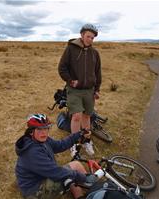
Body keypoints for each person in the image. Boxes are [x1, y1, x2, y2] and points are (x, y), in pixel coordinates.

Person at [15, 113, 98, 199]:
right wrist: (82, 177)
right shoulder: (32, 152)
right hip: (34, 191)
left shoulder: (41, 139)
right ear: (31, 132)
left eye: (46, 128)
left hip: (42, 177)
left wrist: (78, 135)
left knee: (72, 170)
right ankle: (96, 190)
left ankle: (81, 196)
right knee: (71, 173)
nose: (44, 132)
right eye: (39, 129)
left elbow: (60, 145)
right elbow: (55, 172)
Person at [58, 23, 102, 157]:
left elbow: (97, 72)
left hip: (89, 90)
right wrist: (71, 80)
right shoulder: (71, 49)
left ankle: (87, 140)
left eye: (93, 38)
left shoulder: (94, 53)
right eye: (88, 36)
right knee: (76, 116)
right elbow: (62, 68)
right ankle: (74, 143)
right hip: (74, 90)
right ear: (82, 35)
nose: (90, 39)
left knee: (87, 116)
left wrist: (97, 89)